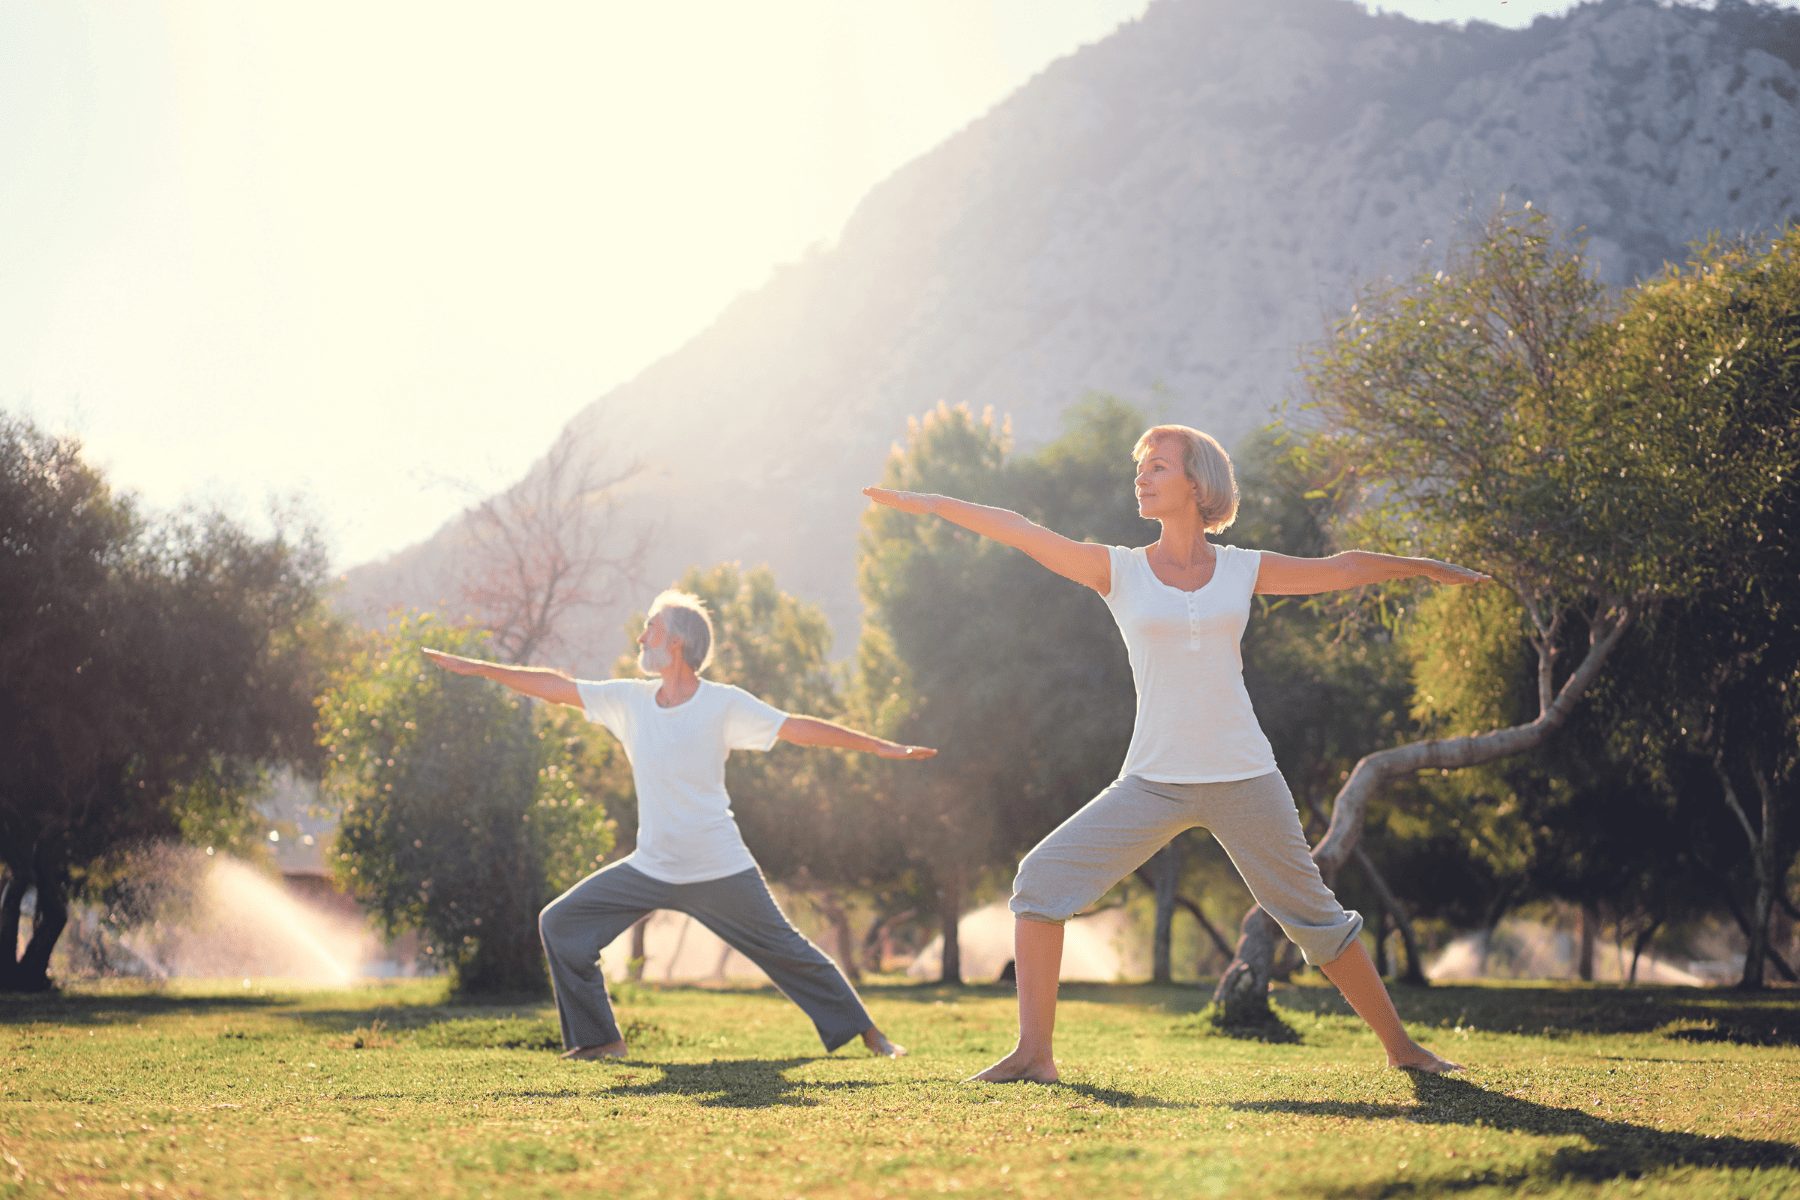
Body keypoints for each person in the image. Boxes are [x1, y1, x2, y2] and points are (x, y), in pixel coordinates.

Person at [864, 424, 1487, 1083]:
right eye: (1141, 467)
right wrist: (934, 504)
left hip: (1244, 775)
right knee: (1040, 884)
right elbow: (1019, 529)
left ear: (1197, 483)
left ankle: (1403, 1049)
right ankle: (1034, 1054)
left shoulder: (1244, 568)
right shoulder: (1119, 570)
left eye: (1158, 467)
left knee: (1317, 920)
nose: (1143, 477)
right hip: (1153, 780)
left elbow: (1345, 569)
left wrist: (1421, 567)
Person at [424, 589, 935, 1061]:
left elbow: (797, 729)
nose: (641, 636)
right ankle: (600, 1040)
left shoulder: (723, 703)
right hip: (652, 866)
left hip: (718, 867)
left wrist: (879, 746)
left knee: (787, 950)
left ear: (678, 642)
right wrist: (480, 670)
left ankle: (873, 1036)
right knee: (561, 924)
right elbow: (557, 688)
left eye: (651, 627)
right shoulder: (629, 701)